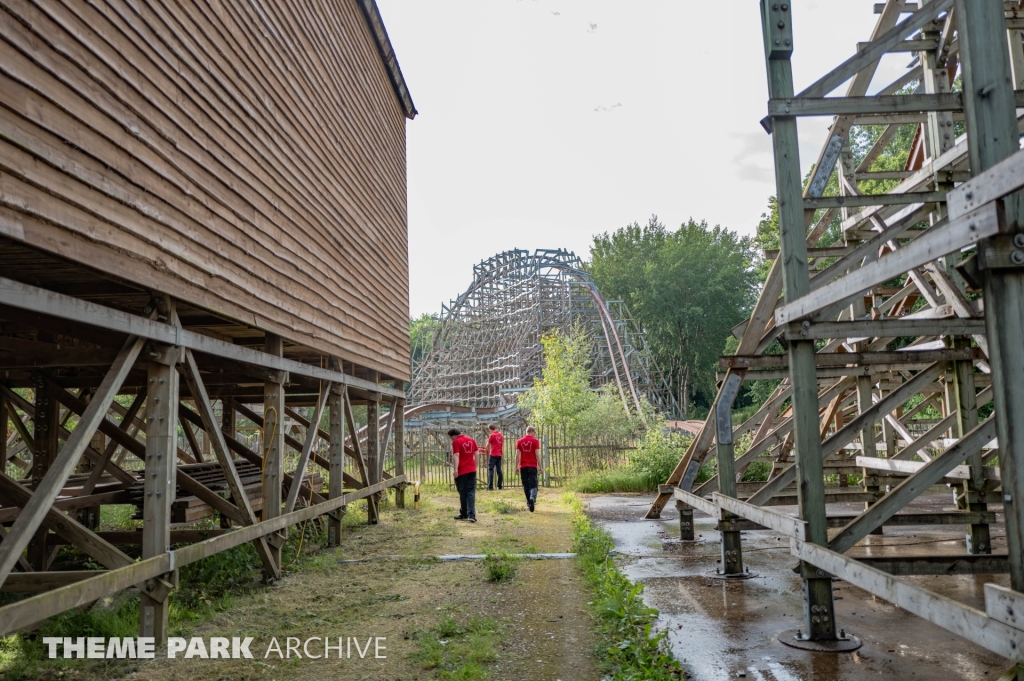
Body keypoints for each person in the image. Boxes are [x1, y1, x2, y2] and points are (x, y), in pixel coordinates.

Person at [448, 428, 478, 522]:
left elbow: (456, 455)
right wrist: (475, 466)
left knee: (462, 492)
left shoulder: (456, 442)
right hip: (472, 470)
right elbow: (477, 453)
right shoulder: (471, 439)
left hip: (462, 470)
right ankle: (471, 515)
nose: (451, 440)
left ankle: (464, 513)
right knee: (471, 492)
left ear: (453, 435)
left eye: (451, 438)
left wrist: (456, 469)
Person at [515, 426, 542, 512]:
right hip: (532, 466)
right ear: (531, 431)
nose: (535, 434)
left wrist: (516, 467)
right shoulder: (535, 441)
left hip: (523, 466)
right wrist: (540, 466)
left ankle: (529, 503)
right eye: (534, 432)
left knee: (526, 485)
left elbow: (517, 455)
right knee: (534, 485)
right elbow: (537, 455)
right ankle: (532, 498)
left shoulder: (519, 441)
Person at [486, 424, 504, 490]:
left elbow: (487, 445)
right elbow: (502, 444)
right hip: (499, 454)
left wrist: (485, 449)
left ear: (490, 429)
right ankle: (500, 486)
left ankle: (490, 487)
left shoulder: (492, 435)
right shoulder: (501, 435)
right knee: (499, 470)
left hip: (493, 454)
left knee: (491, 470)